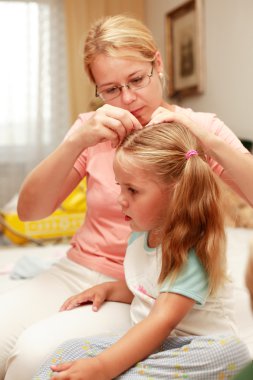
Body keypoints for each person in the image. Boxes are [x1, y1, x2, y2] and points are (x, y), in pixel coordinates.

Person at [1, 14, 253, 380]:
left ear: (158, 64)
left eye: (137, 79)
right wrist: (78, 139)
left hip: (146, 287)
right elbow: (29, 211)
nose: (129, 99)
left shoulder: (195, 134)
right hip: (80, 271)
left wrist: (209, 140)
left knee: (32, 355)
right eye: (111, 89)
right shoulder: (92, 132)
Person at [33, 122, 251, 379]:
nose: (120, 199)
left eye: (132, 190)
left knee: (226, 351)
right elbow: (150, 287)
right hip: (161, 345)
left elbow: (162, 319)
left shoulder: (192, 246)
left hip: (199, 347)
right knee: (68, 351)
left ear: (176, 193)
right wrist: (110, 289)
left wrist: (103, 367)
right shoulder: (141, 234)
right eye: (120, 186)